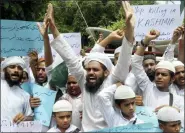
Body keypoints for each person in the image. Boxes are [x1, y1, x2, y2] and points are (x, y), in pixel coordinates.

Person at [42, 1, 135, 131]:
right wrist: (53, 28)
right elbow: (69, 56)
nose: (90, 72)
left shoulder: (113, 80)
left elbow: (125, 58)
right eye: (88, 69)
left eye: (95, 69)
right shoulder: (83, 81)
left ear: (106, 72)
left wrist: (130, 28)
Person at [131, 29, 184, 113]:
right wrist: (146, 41)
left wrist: (175, 111)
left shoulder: (178, 100)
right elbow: (135, 62)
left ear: (172, 79)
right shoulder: (148, 88)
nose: (159, 77)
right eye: (157, 74)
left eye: (164, 75)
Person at [1, 56, 33, 123]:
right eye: (12, 67)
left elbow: (30, 117)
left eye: (19, 68)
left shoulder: (25, 95)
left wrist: (24, 118)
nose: (16, 70)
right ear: (4, 70)